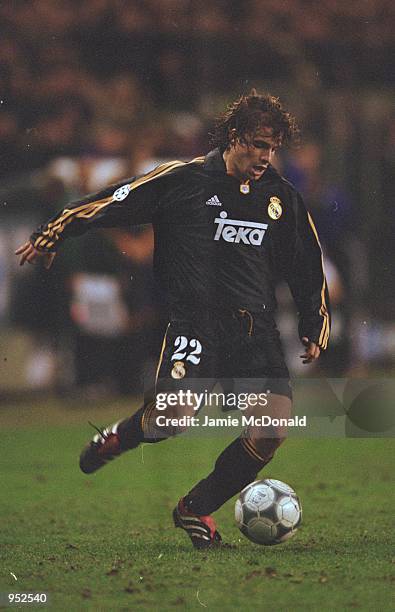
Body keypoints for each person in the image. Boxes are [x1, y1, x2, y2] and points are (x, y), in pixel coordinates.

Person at [16, 90, 330, 549]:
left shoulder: (280, 196)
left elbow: (307, 262)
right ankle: (120, 437)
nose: (266, 156)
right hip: (196, 325)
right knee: (173, 419)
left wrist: (314, 320)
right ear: (235, 136)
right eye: (259, 144)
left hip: (255, 330)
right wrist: (57, 229)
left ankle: (195, 508)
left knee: (272, 431)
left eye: (273, 147)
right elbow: (115, 200)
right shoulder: (184, 180)